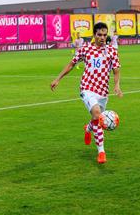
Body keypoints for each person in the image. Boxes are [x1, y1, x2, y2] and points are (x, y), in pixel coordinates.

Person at [50, 22, 123, 164]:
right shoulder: (86, 49)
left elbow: (116, 70)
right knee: (97, 114)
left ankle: (88, 128)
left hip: (102, 91)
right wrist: (58, 78)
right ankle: (101, 152)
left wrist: (117, 85)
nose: (102, 37)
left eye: (104, 35)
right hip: (87, 87)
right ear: (94, 35)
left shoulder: (112, 51)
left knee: (96, 119)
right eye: (99, 35)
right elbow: (71, 64)